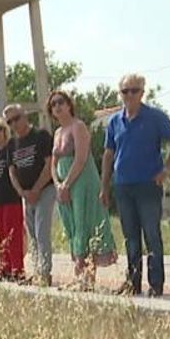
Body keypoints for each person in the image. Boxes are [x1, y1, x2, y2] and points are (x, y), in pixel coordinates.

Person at [101, 73, 170, 297]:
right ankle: (133, 282)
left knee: (151, 235)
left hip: (148, 184)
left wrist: (167, 169)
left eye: (134, 90)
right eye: (125, 91)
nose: (129, 95)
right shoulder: (114, 122)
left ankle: (156, 284)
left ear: (142, 92)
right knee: (130, 237)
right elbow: (109, 154)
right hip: (123, 186)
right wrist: (104, 185)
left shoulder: (155, 117)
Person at [48, 90, 117, 287]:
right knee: (73, 226)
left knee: (84, 222)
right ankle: (79, 274)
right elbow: (53, 161)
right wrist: (57, 184)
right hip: (63, 184)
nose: (58, 106)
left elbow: (81, 158)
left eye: (61, 102)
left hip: (82, 182)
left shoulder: (78, 127)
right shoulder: (57, 133)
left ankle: (87, 277)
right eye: (53, 104)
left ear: (69, 104)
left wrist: (67, 184)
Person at [6, 105, 55, 287]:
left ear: (25, 115)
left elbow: (49, 164)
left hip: (44, 190)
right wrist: (21, 192)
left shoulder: (41, 136)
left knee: (42, 231)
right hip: (26, 194)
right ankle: (36, 270)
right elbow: (11, 171)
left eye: (16, 118)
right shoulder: (12, 144)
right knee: (32, 234)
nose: (14, 124)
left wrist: (36, 189)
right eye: (9, 121)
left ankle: (44, 272)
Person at [0, 114, 24, 281]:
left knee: (13, 234)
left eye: (0, 129)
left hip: (11, 197)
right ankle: (4, 268)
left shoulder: (11, 147)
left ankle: (18, 269)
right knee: (1, 235)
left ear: (5, 131)